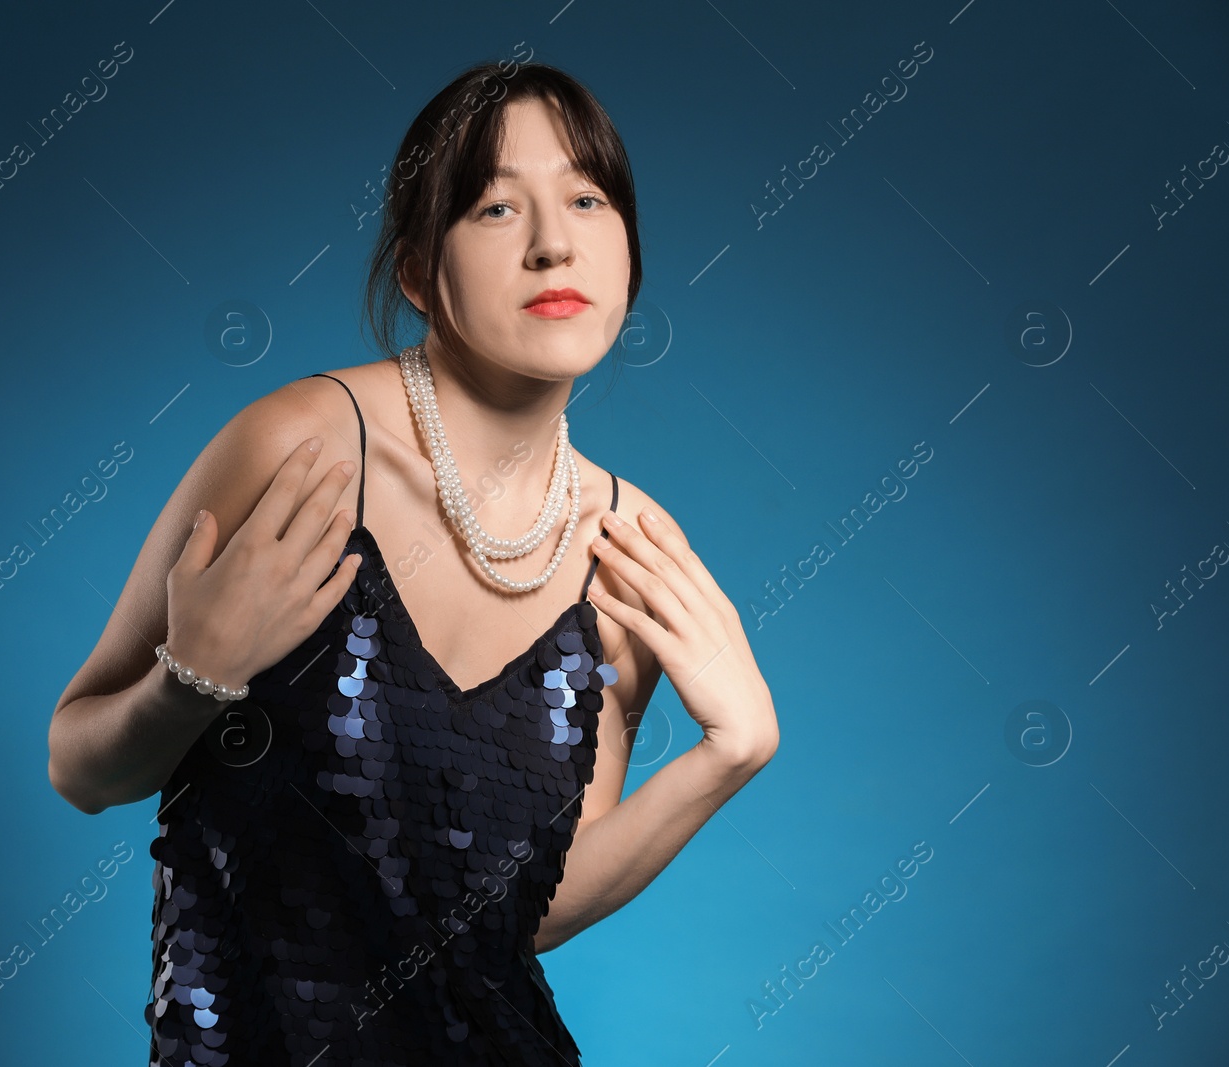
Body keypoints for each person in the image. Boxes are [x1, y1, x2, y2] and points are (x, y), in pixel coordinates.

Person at [48, 59, 779, 1067]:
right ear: (414, 271)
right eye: (492, 208)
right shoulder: (300, 450)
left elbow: (521, 908)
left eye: (585, 196)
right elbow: (77, 763)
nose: (553, 242)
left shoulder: (627, 545)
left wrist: (725, 755)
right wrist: (189, 678)